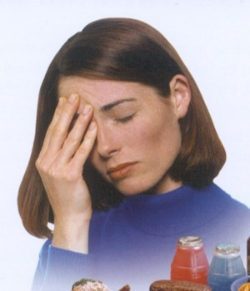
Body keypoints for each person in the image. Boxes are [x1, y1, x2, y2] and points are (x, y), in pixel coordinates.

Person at [18, 18, 250, 291]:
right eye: (85, 131)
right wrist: (71, 222)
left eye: (123, 116)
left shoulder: (241, 230)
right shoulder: (67, 245)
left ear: (178, 97)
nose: (104, 147)